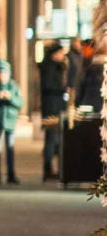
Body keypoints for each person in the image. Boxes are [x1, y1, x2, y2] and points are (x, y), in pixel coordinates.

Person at [38, 41, 71, 181]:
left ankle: (50, 168)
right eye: (61, 53)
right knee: (52, 139)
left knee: (53, 139)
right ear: (55, 54)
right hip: (53, 106)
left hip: (53, 105)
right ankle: (48, 168)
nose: (63, 56)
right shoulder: (50, 68)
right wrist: (63, 90)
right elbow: (50, 86)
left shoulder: (51, 66)